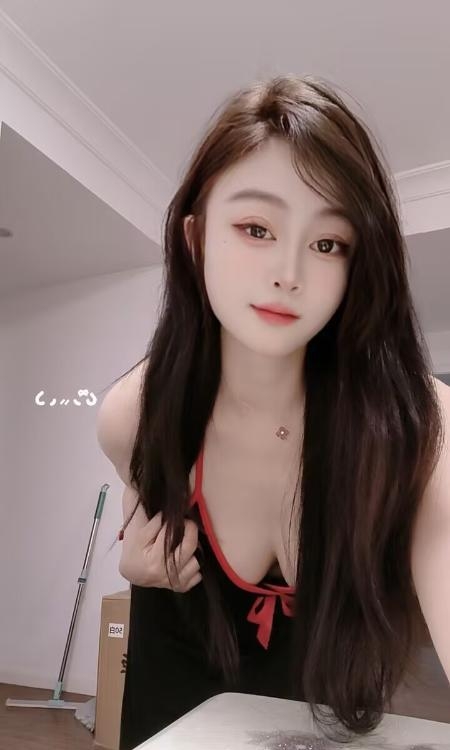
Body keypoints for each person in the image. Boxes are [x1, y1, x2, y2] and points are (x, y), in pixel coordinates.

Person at [96, 74, 450, 749]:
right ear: (196, 239)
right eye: (256, 228)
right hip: (170, 722)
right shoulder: (133, 412)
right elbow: (141, 499)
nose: (290, 272)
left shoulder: (417, 423)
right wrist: (133, 560)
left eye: (328, 243)